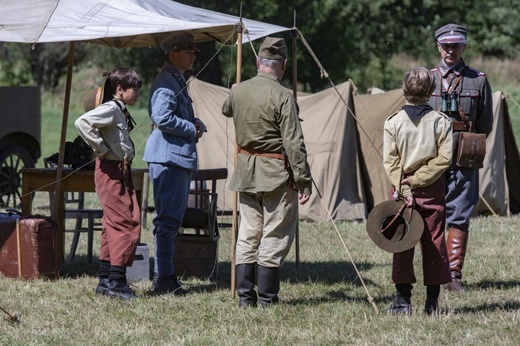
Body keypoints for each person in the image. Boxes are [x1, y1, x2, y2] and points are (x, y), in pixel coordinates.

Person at [222, 37, 312, 308]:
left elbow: (227, 109)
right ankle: (267, 299)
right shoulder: (283, 96)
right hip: (276, 174)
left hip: (247, 172)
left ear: (257, 62)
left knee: (248, 233)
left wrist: (236, 90)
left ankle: (245, 298)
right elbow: (294, 143)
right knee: (274, 233)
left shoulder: (239, 91)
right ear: (284, 65)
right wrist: (303, 180)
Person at [428, 23, 493, 291]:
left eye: (455, 46)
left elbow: (485, 123)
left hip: (465, 152)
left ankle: (453, 275)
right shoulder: (427, 78)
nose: (450, 51)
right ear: (438, 47)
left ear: (464, 46)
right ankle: (434, 271)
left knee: (460, 212)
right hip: (431, 153)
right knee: (432, 212)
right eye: (446, 46)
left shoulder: (478, 79)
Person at [383, 67, 453, 315]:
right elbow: (444, 160)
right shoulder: (441, 122)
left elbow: (390, 163)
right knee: (434, 243)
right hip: (431, 190)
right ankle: (431, 304)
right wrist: (416, 182)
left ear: (405, 89)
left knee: (402, 242)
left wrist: (405, 185)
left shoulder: (392, 123)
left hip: (402, 191)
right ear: (431, 91)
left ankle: (402, 303)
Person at [143, 32, 206, 295]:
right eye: (187, 51)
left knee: (170, 221)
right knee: (167, 222)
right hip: (168, 158)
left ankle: (165, 276)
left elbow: (172, 116)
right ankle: (163, 279)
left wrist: (194, 122)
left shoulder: (175, 79)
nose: (193, 55)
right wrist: (191, 128)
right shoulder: (167, 81)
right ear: (172, 54)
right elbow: (161, 117)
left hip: (173, 157)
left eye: (193, 51)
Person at [75, 67, 142, 300]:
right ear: (120, 89)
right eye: (134, 90)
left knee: (112, 223)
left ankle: (105, 279)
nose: (138, 94)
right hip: (111, 170)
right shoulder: (110, 109)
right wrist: (101, 149)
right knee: (125, 222)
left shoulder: (118, 110)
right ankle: (117, 282)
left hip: (120, 170)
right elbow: (82, 123)